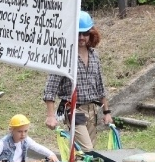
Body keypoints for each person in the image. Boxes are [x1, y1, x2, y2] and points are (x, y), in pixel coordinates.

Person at [43, 10, 113, 151]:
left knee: (88, 153)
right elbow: (50, 89)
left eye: (85, 33)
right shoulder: (64, 56)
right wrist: (50, 116)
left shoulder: (94, 56)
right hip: (74, 109)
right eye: (78, 33)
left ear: (91, 33)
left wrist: (107, 112)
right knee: (87, 149)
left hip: (93, 110)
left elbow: (100, 87)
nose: (81, 37)